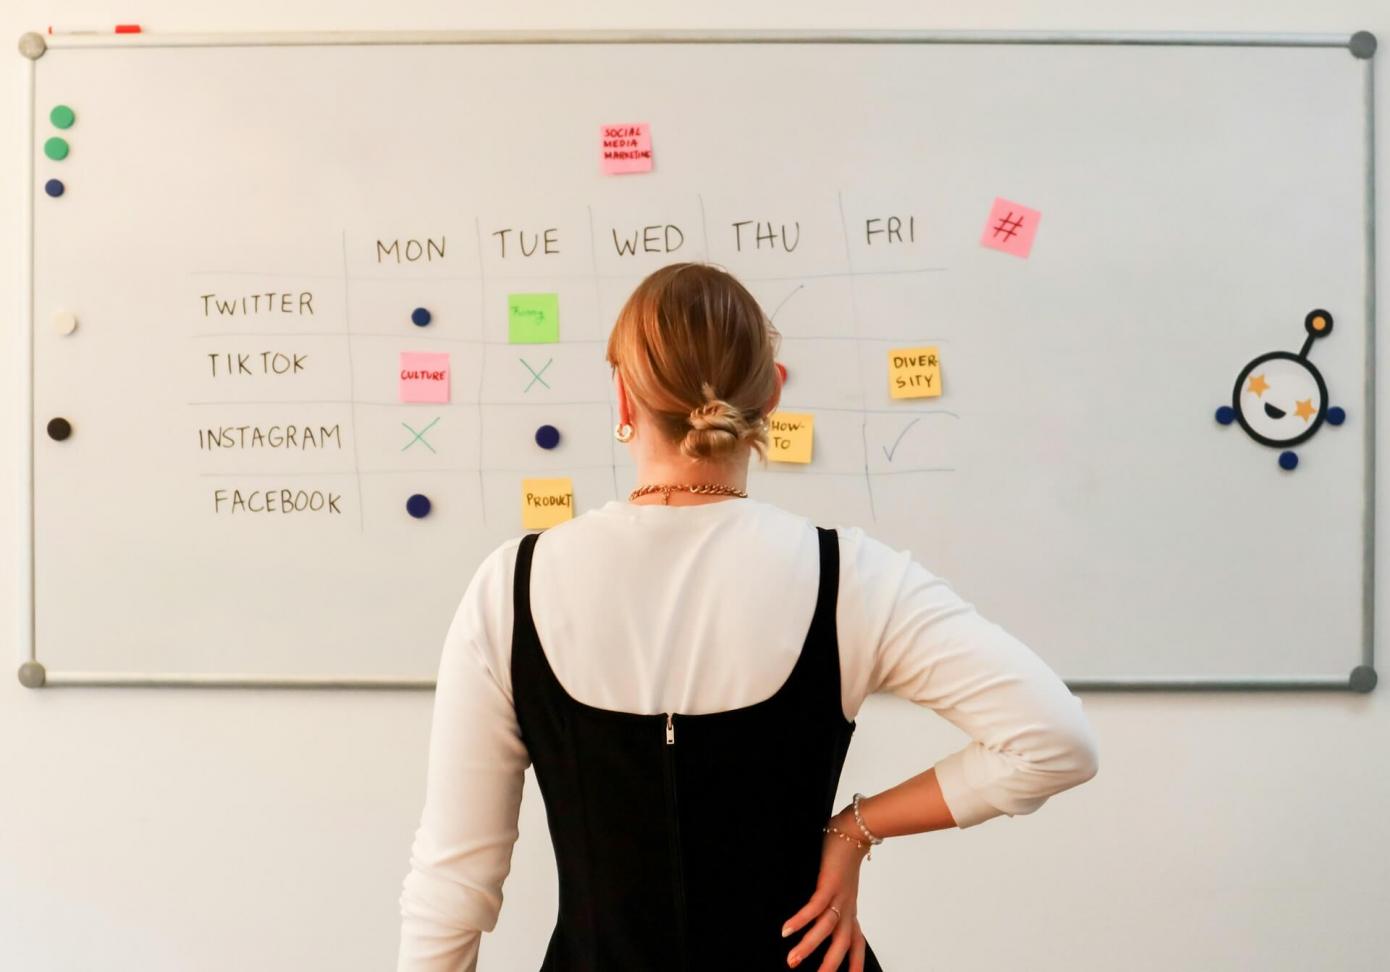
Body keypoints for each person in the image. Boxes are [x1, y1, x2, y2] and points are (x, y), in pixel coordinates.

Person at [397, 262, 1100, 971]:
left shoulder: (508, 589)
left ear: (623, 396)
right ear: (771, 393)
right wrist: (855, 826)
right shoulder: (851, 578)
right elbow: (1055, 741)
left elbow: (453, 886)